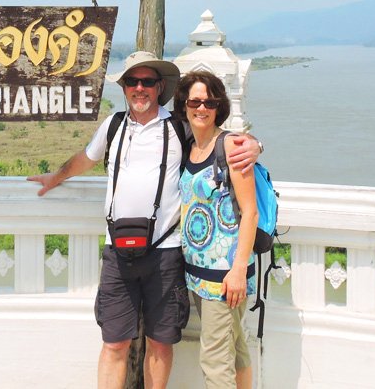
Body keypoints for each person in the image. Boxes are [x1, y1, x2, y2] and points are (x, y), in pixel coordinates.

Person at [28, 52, 261, 389]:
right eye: (132, 81)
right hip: (117, 252)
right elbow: (85, 158)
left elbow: (219, 138)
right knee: (114, 342)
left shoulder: (178, 126)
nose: (140, 88)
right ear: (123, 87)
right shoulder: (113, 126)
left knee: (161, 342)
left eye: (147, 81)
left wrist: (255, 144)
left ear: (159, 87)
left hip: (166, 253)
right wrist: (56, 177)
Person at [173, 70, 257, 389]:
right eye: (195, 101)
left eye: (209, 102)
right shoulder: (189, 146)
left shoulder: (230, 146)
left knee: (215, 363)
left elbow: (250, 212)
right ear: (184, 105)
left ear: (219, 107)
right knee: (234, 352)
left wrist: (237, 271)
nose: (202, 108)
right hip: (198, 273)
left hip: (224, 276)